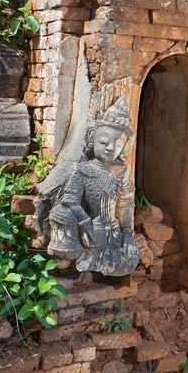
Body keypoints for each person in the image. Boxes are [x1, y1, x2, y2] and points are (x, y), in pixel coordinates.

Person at [47, 98, 140, 276]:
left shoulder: (122, 171)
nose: (110, 148)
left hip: (114, 232)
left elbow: (126, 204)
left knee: (128, 262)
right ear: (92, 137)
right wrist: (85, 223)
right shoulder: (83, 170)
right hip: (92, 229)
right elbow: (70, 201)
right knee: (82, 251)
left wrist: (128, 233)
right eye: (104, 141)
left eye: (118, 144)